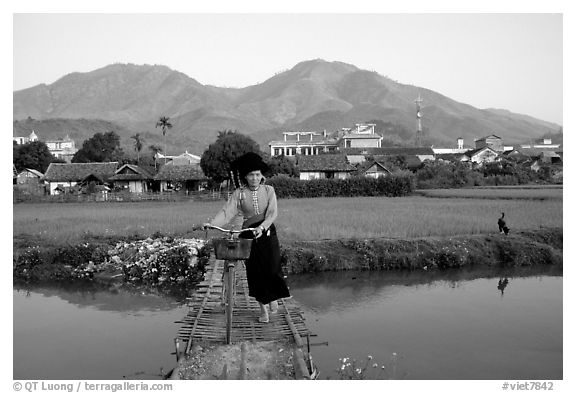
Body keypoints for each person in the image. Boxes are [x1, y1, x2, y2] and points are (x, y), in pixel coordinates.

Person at [202, 152, 290, 323]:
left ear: (262, 175)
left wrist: (262, 227)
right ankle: (263, 309)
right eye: (251, 175)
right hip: (248, 235)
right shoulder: (239, 194)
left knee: (272, 268)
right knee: (255, 273)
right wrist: (211, 223)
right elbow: (227, 212)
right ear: (245, 176)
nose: (255, 178)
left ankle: (272, 297)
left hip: (267, 232)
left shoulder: (269, 190)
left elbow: (272, 213)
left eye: (257, 174)